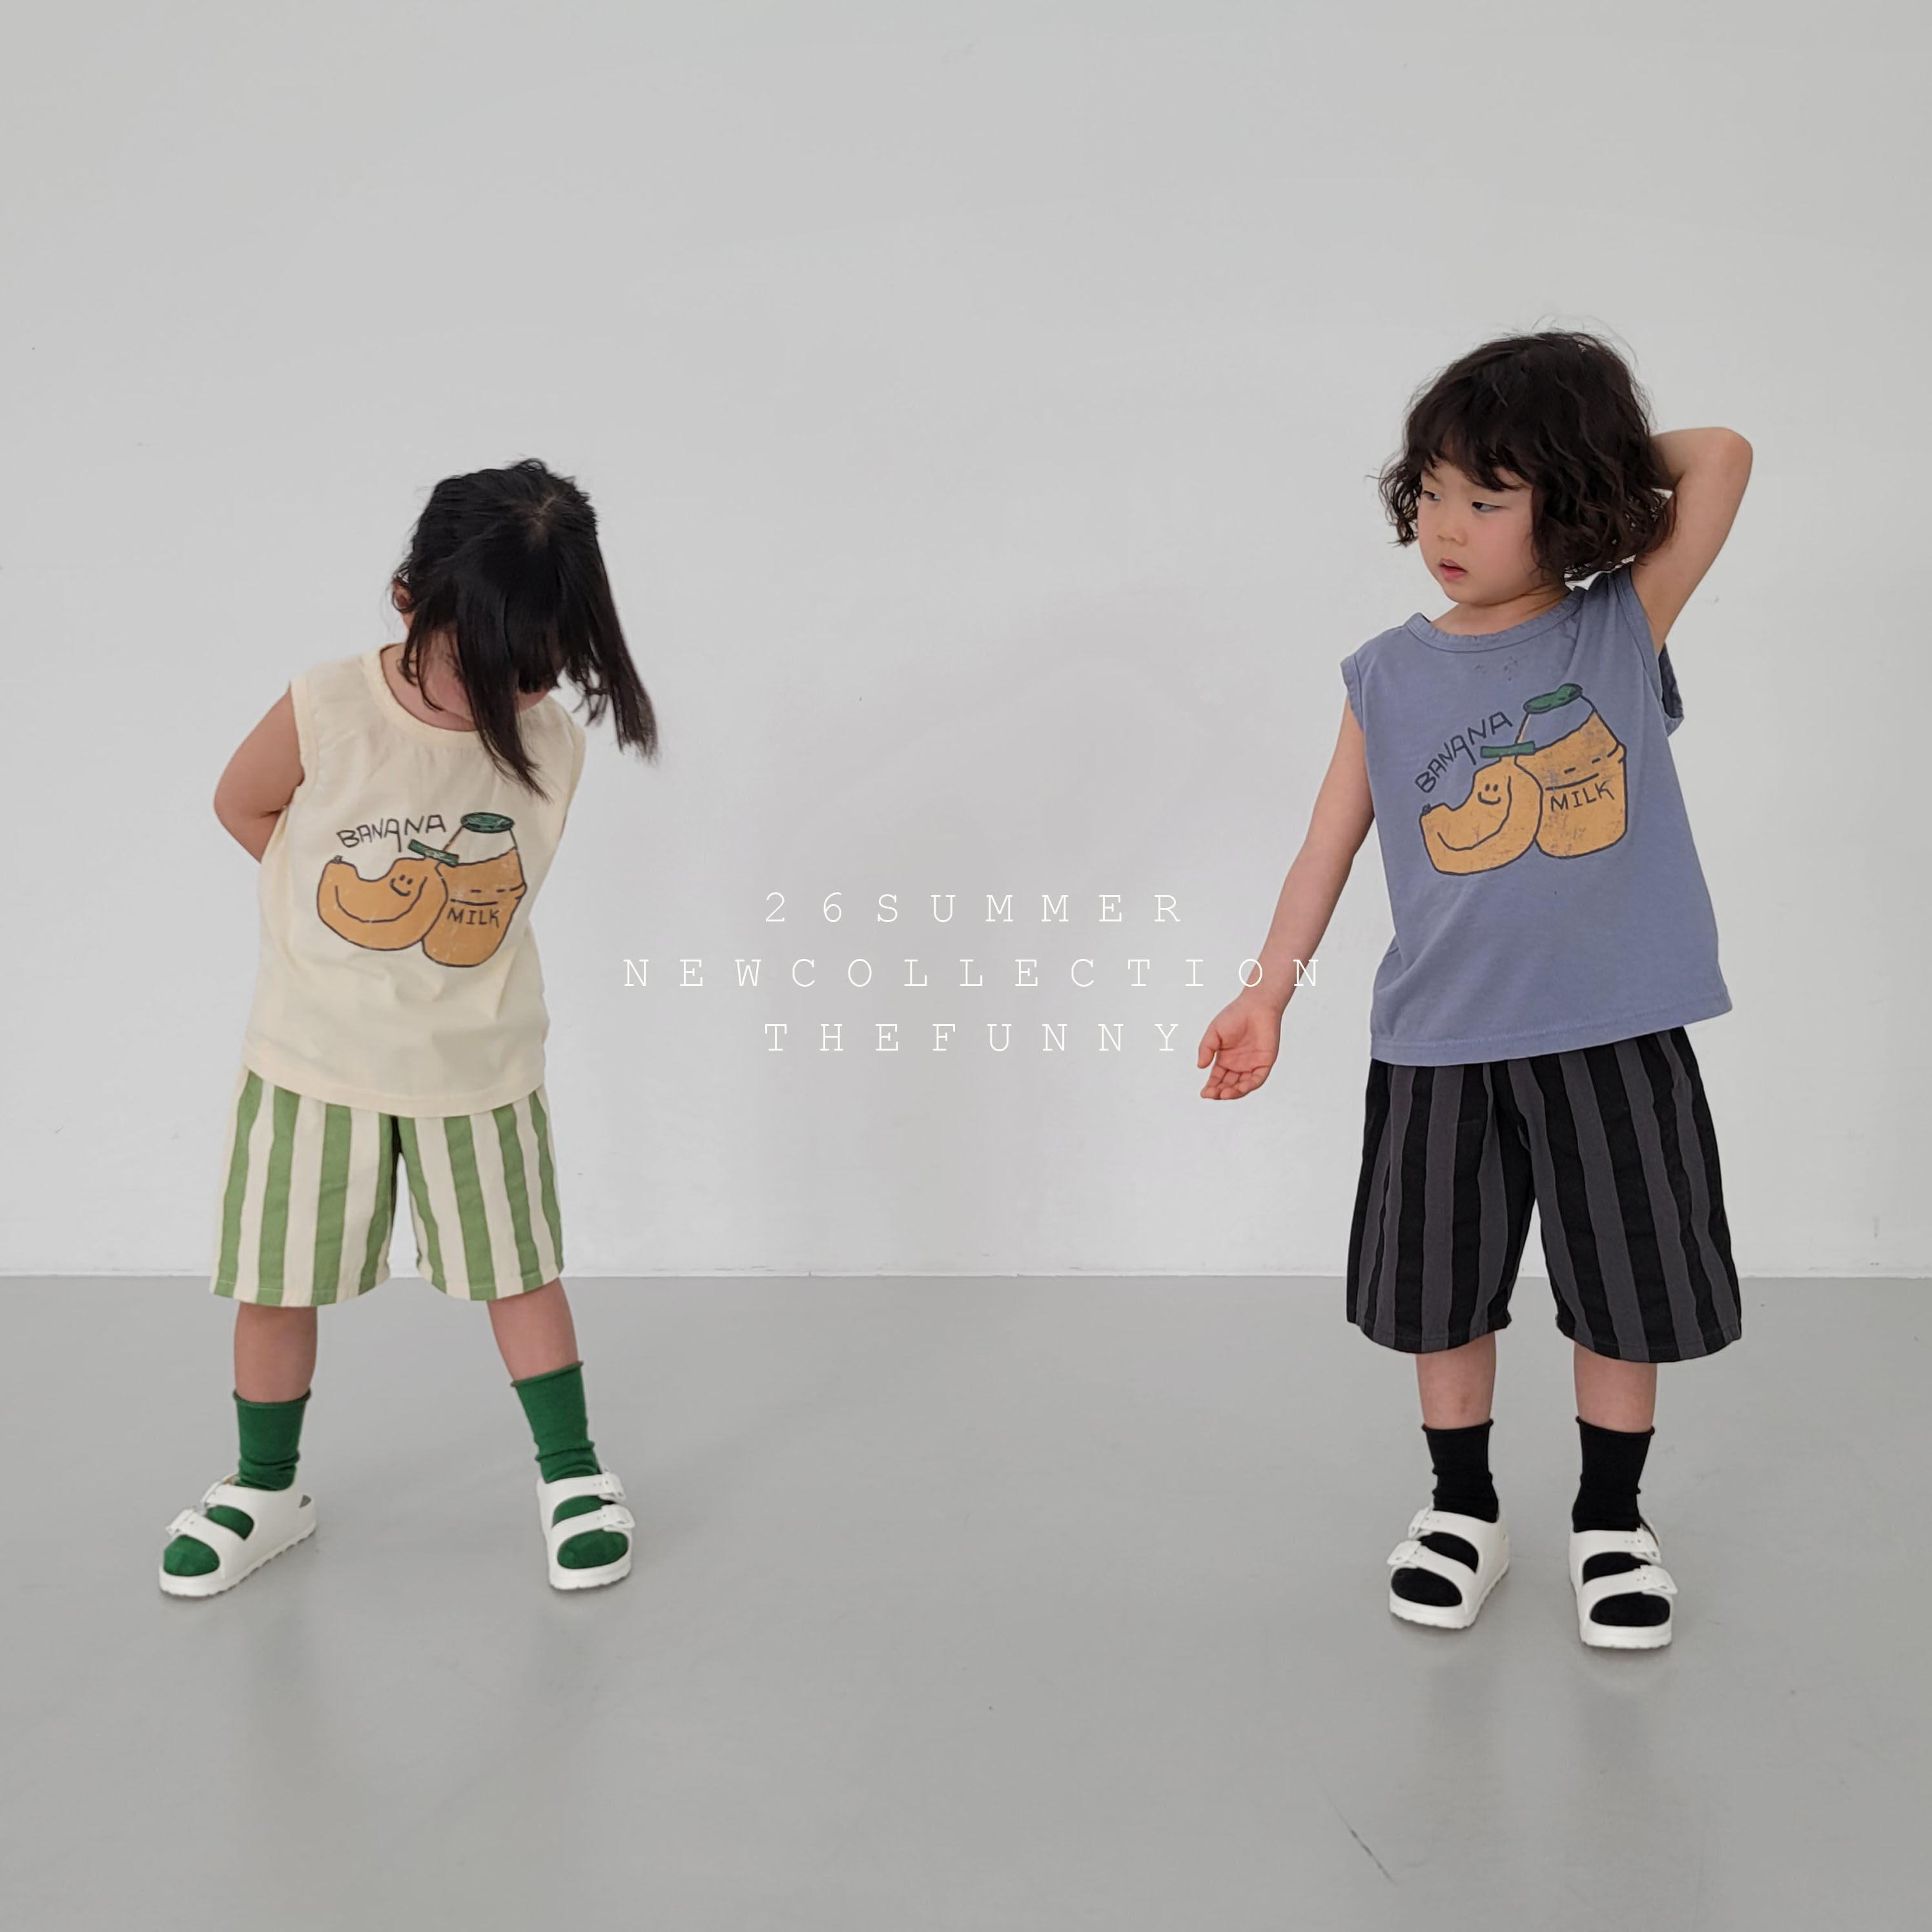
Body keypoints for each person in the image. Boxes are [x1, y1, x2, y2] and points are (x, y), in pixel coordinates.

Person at [1198, 332, 1751, 1649]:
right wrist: (1266, 994)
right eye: (1434, 491)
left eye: (1488, 497)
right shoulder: (1384, 674)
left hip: (1613, 1031)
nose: (1445, 526)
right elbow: (1325, 848)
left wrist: (1590, 467)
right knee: (1438, 1290)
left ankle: (1610, 1519)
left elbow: (1721, 458)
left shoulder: (1615, 622)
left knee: (1625, 1284)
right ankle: (1461, 1506)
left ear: (1570, 500)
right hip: (1440, 1039)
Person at [159, 458, 659, 1599]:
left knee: (520, 1274)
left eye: (533, 677)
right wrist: (334, 922)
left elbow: (492, 897)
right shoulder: (327, 707)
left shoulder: (553, 744)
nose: (502, 701)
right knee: (276, 1282)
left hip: (477, 1066)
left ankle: (572, 1472)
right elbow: (243, 803)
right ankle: (264, 1486)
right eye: (476, 669)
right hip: (312, 1059)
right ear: (405, 601)